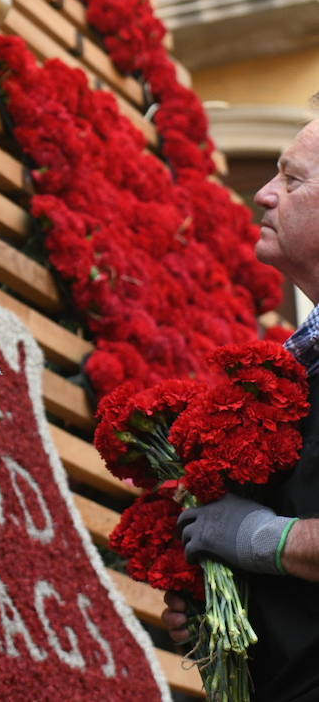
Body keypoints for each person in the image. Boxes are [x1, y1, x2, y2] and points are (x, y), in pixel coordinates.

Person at [162, 118, 319, 702]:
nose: (263, 192)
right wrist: (223, 610)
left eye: (292, 178)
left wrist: (262, 539)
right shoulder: (302, 360)